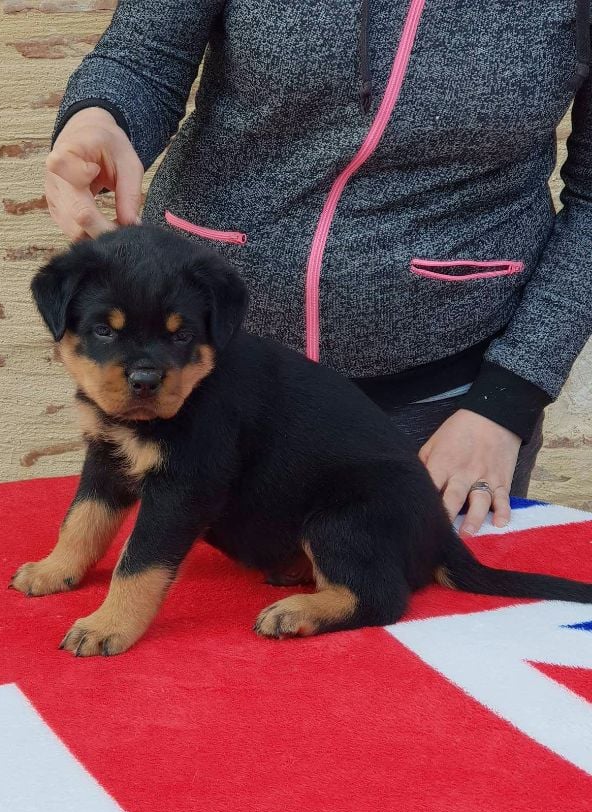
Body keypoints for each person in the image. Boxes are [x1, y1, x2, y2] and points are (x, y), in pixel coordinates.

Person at [44, 0, 592, 535]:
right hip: (202, 382)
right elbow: (142, 57)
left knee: (412, 590)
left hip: (448, 410)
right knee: (188, 592)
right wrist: (99, 117)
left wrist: (505, 403)